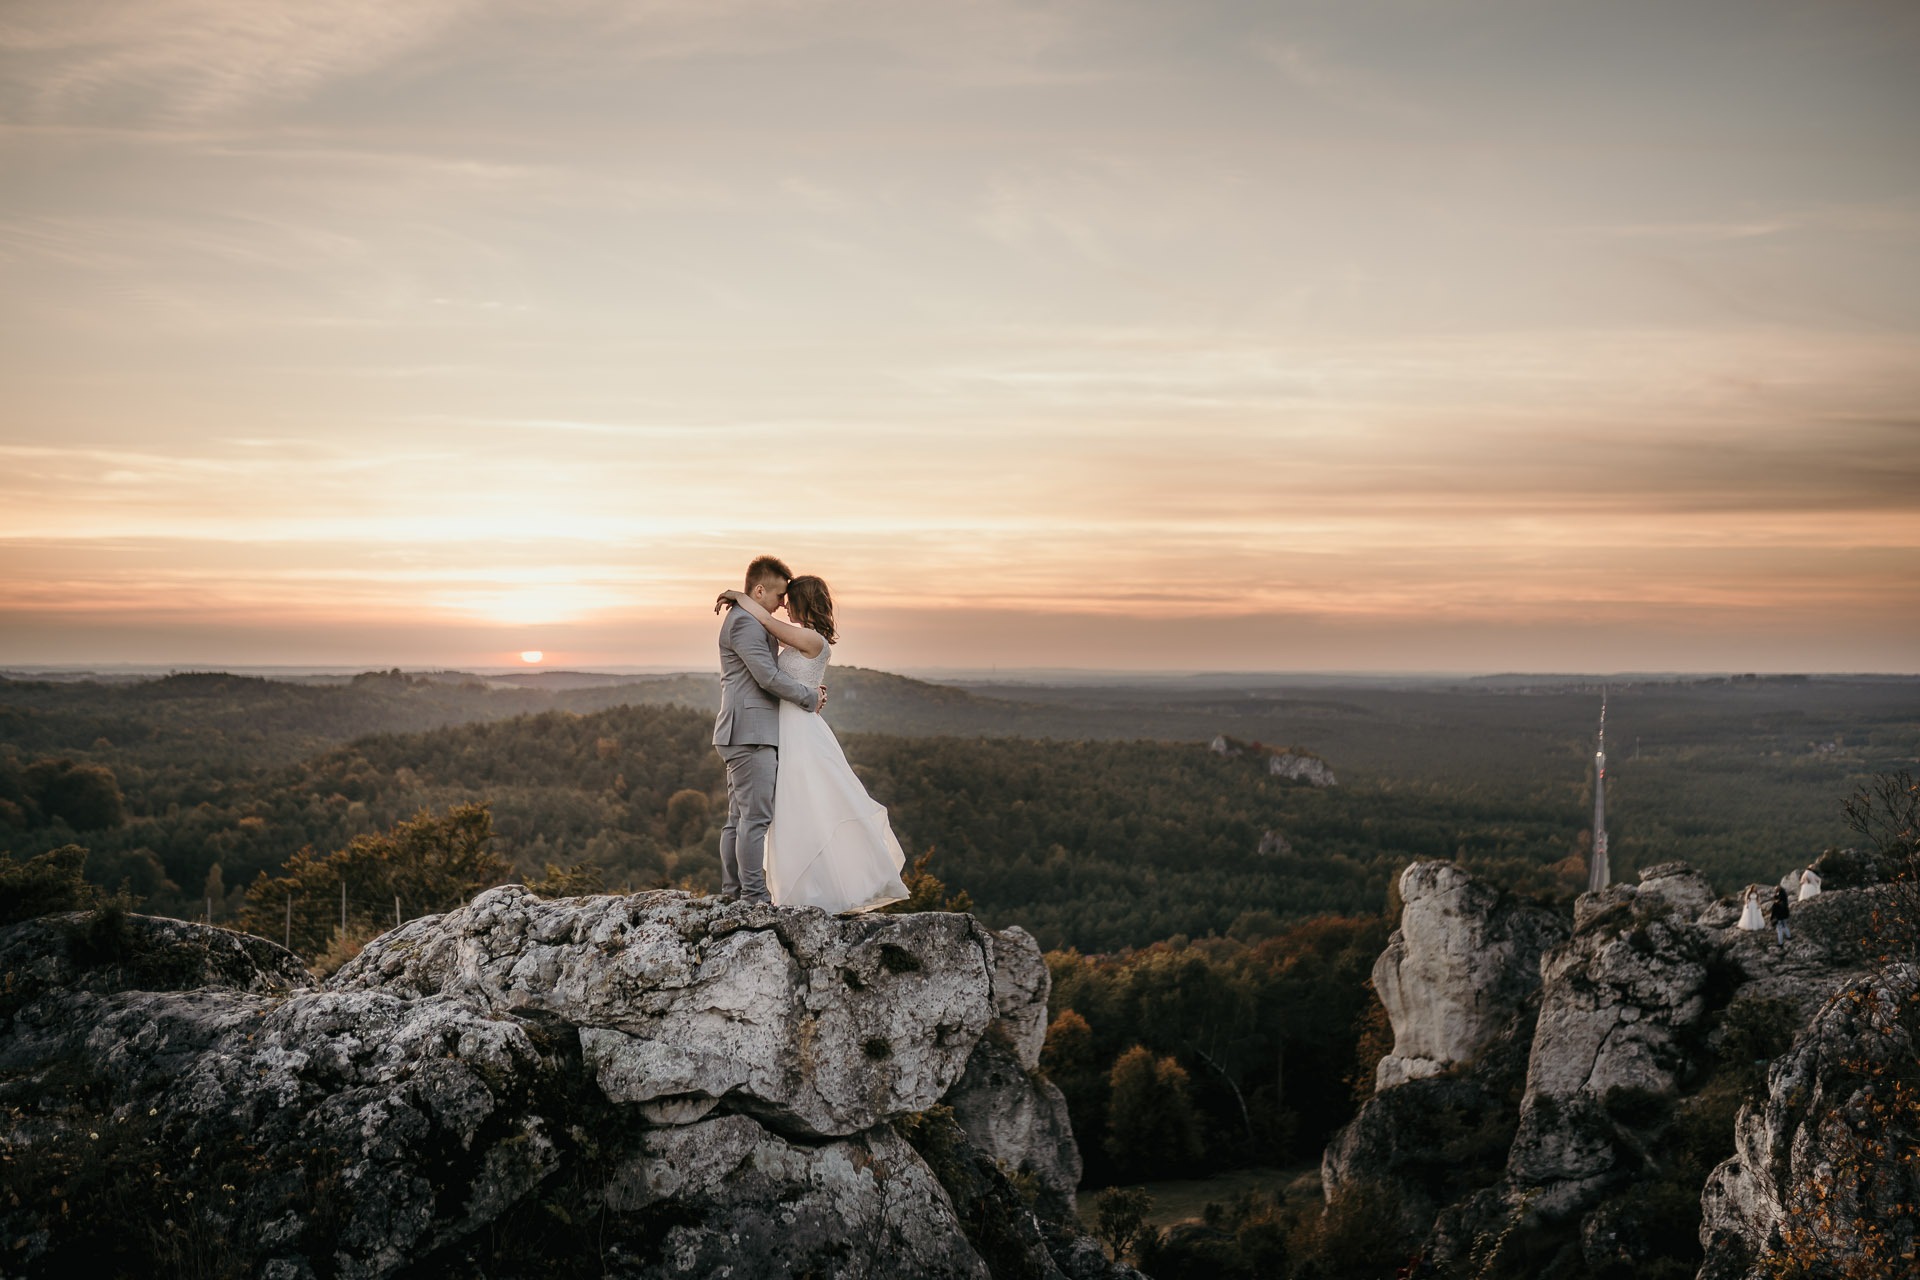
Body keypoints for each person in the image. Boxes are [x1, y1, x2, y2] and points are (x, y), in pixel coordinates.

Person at [716, 575, 910, 914]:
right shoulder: (802, 638)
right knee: (789, 812)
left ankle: (805, 890)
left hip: (797, 731)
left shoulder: (809, 638)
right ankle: (785, 889)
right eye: (782, 597)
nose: (784, 604)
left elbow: (764, 620)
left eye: (789, 599)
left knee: (804, 807)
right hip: (783, 728)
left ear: (803, 602)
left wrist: (737, 595)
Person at [712, 556, 823, 904]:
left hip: (745, 731)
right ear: (759, 590)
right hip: (751, 733)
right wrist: (809, 697)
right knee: (755, 819)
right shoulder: (745, 623)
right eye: (777, 597)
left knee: (739, 818)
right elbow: (767, 677)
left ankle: (734, 893)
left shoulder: (747, 617)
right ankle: (753, 897)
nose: (779, 606)